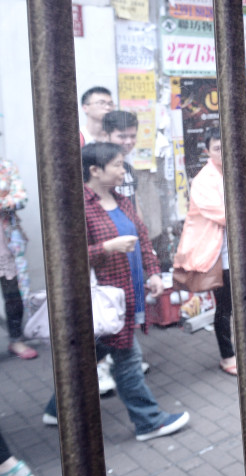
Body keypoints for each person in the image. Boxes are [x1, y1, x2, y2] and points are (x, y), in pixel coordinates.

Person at [43, 143, 189, 441]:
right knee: (128, 360)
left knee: (89, 357)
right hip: (104, 300)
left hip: (128, 294)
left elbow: (142, 239)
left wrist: (153, 273)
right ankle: (149, 422)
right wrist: (106, 248)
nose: (124, 170)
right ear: (95, 170)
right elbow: (64, 256)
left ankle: (57, 409)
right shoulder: (76, 206)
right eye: (118, 165)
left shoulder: (122, 200)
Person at [173, 127, 246, 375]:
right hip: (222, 254)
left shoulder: (243, 171)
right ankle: (228, 354)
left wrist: (242, 213)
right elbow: (218, 213)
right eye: (218, 148)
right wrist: (245, 213)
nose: (224, 152)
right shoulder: (202, 180)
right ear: (208, 151)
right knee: (226, 306)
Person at [0, 159, 36, 361]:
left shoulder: (5, 166)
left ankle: (16, 339)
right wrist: (5, 199)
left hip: (6, 240)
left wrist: (7, 201)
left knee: (13, 292)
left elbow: (21, 198)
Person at [102, 110, 140, 212]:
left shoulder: (127, 166)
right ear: (105, 135)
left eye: (133, 136)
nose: (129, 142)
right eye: (122, 136)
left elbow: (135, 206)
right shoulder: (98, 168)